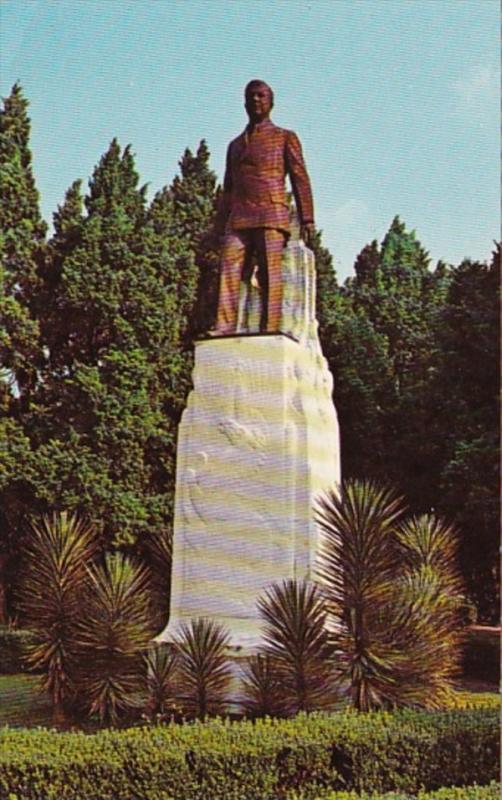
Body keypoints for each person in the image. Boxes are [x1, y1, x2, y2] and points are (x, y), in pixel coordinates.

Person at [212, 79, 315, 334]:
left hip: (271, 213)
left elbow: (300, 177)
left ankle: (271, 328)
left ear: (271, 102)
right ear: (244, 103)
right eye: (251, 96)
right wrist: (218, 227)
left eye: (261, 96)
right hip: (240, 216)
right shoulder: (235, 145)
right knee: (228, 266)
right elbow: (228, 189)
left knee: (271, 272)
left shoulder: (284, 137)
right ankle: (223, 326)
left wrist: (307, 217)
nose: (256, 100)